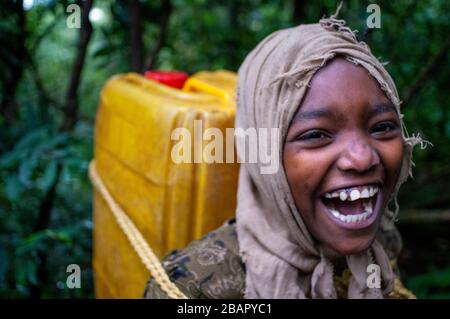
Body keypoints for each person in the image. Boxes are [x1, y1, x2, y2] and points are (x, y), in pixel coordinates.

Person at [144, 9, 424, 299]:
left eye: (382, 127)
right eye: (316, 135)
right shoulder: (190, 289)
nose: (363, 158)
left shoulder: (383, 237)